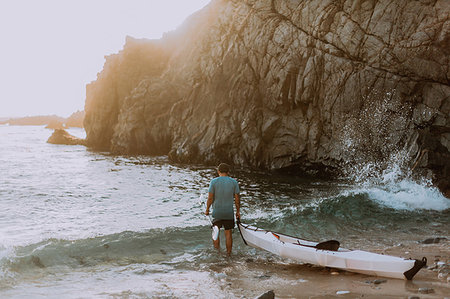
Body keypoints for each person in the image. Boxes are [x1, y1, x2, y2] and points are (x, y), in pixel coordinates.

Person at [205, 163, 240, 256]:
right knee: (228, 234)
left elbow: (210, 198)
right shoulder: (234, 182)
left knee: (216, 231)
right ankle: (228, 254)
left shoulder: (213, 182)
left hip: (217, 212)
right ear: (228, 172)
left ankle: (218, 253)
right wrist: (238, 212)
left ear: (218, 171)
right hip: (228, 212)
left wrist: (207, 209)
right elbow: (237, 199)